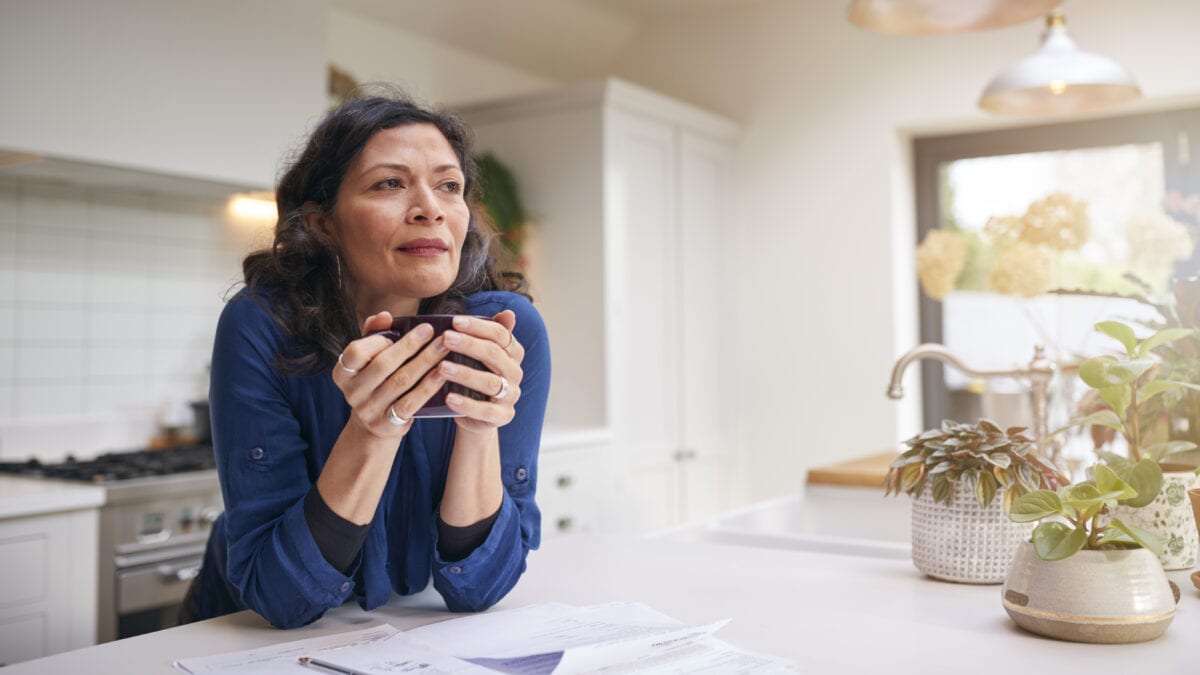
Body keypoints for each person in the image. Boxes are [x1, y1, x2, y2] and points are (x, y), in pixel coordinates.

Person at [180, 92, 550, 629]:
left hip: (402, 643)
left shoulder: (506, 333)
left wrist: (477, 427)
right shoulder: (262, 325)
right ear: (323, 223)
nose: (431, 208)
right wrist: (374, 429)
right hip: (238, 643)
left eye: (449, 185)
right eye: (390, 184)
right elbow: (278, 596)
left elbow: (482, 587)